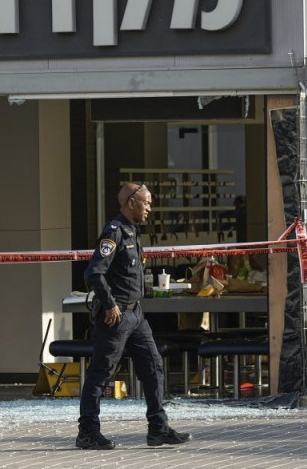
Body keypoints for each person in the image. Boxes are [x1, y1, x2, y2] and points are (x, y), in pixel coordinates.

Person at [77, 182, 191, 449]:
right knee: (101, 374)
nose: (150, 207)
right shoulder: (114, 232)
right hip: (116, 318)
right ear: (131, 203)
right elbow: (93, 273)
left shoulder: (132, 232)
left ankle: (158, 429)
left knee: (153, 367)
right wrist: (109, 304)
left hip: (136, 315)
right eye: (146, 202)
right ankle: (87, 432)